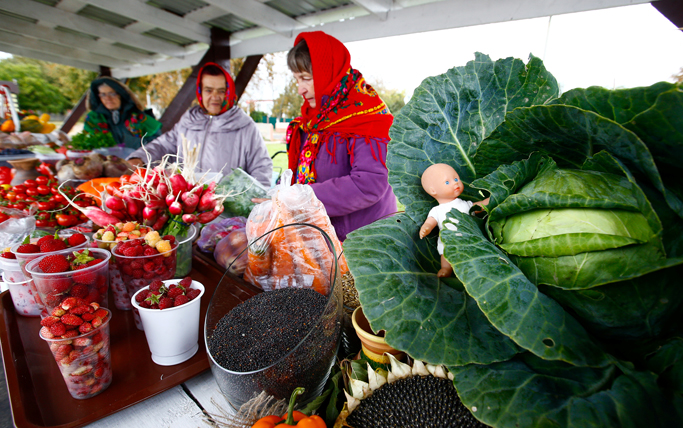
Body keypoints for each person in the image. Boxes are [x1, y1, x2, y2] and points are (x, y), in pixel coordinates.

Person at [285, 31, 397, 241]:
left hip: (363, 243)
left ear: (327, 72)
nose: (300, 89)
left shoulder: (367, 117)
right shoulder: (315, 118)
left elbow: (369, 184)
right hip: (326, 236)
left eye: (306, 79)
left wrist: (300, 197)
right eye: (296, 79)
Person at [127, 63, 273, 187]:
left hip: (226, 208)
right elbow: (163, 145)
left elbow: (261, 168)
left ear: (229, 93)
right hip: (188, 204)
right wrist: (140, 158)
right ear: (200, 92)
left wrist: (254, 205)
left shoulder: (245, 126)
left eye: (221, 91)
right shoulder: (188, 121)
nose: (215, 97)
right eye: (209, 90)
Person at [419, 163, 489, 277]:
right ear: (433, 191)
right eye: (447, 182)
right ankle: (446, 268)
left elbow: (478, 207)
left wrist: (488, 201)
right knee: (446, 254)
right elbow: (430, 221)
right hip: (449, 239)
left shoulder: (464, 204)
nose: (456, 182)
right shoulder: (437, 210)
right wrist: (426, 228)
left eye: (456, 179)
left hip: (470, 237)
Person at [84, 77, 162, 150]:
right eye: (103, 95)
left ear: (121, 94)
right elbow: (86, 145)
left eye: (112, 94)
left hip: (138, 161)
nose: (107, 98)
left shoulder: (138, 117)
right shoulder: (94, 119)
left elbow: (159, 143)